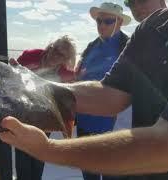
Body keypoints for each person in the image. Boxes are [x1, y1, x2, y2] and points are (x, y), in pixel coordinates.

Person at [0, 4, 168, 179]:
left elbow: (167, 146)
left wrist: (48, 149)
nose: (136, 5)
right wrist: (31, 88)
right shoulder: (153, 26)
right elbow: (111, 93)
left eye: (108, 21)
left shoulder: (125, 41)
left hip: (116, 136)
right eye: (130, 1)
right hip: (113, 152)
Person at [74, 2, 130, 180]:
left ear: (119, 22)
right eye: (99, 21)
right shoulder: (91, 46)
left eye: (108, 21)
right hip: (84, 121)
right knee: (88, 173)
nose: (102, 25)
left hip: (113, 126)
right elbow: (78, 75)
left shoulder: (129, 46)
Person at [12, 35, 76, 180]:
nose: (54, 55)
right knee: (22, 154)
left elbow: (74, 90)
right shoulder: (30, 55)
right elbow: (13, 75)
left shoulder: (66, 73)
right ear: (50, 47)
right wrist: (15, 68)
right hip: (23, 112)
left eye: (61, 55)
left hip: (45, 118)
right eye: (54, 49)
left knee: (38, 155)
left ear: (66, 60)